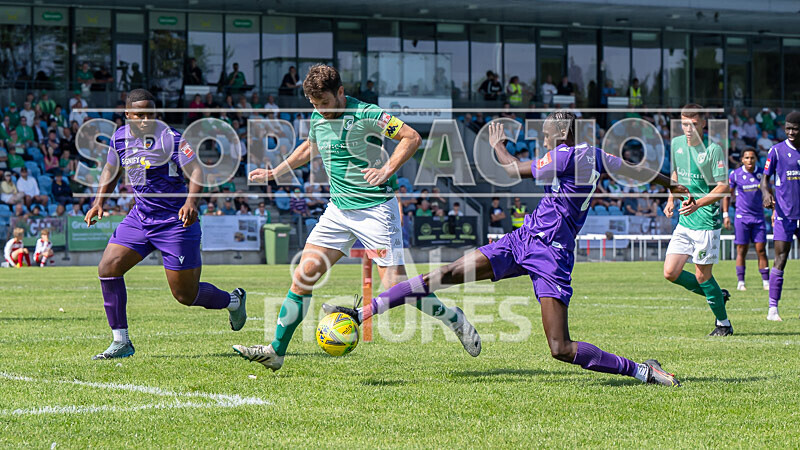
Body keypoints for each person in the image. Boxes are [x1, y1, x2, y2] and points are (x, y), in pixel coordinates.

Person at [327, 114, 691, 386]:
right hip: (523, 240)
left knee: (560, 348)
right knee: (445, 274)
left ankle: (642, 370)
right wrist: (670, 184)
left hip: (551, 256)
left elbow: (514, 169)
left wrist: (496, 146)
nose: (543, 141)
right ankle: (361, 315)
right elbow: (635, 169)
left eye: (545, 135)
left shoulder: (564, 155)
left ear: (560, 134)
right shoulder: (595, 155)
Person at [234, 64, 480, 371]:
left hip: (376, 211)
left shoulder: (367, 115)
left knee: (394, 288)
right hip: (338, 211)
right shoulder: (317, 118)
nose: (320, 111)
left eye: (324, 103)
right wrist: (274, 172)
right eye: (314, 105)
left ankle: (454, 319)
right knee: (303, 277)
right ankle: (276, 350)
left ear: (340, 93)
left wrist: (386, 169)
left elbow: (411, 137)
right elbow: (310, 147)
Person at [84, 88, 247, 360]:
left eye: (150, 113)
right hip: (140, 218)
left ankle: (233, 301)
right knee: (108, 267)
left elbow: (196, 170)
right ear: (127, 115)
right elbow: (110, 170)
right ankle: (120, 341)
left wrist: (191, 202)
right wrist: (99, 201)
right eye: (139, 114)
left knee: (185, 295)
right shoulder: (119, 138)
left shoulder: (169, 138)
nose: (145, 119)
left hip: (175, 221)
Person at [663, 104, 732, 336]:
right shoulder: (676, 144)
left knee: (703, 275)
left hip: (706, 221)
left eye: (692, 124)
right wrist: (671, 198)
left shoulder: (713, 149)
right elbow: (676, 174)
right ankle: (716, 295)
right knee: (670, 272)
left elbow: (724, 186)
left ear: (703, 123)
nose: (688, 129)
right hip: (685, 220)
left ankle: (723, 323)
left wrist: (698, 203)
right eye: (684, 124)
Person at [760, 111, 800, 322]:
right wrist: (766, 194)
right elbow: (764, 179)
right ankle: (773, 309)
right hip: (785, 215)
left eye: (795, 128)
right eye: (788, 128)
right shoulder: (776, 151)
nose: (791, 132)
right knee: (780, 258)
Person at [723, 148, 769, 292]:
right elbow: (727, 195)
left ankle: (766, 281)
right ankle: (741, 281)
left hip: (758, 218)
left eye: (752, 158)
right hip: (742, 218)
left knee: (761, 250)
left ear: (756, 159)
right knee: (741, 250)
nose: (750, 160)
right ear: (742, 160)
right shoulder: (735, 175)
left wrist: (773, 209)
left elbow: (769, 191)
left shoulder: (762, 173)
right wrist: (725, 214)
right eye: (747, 158)